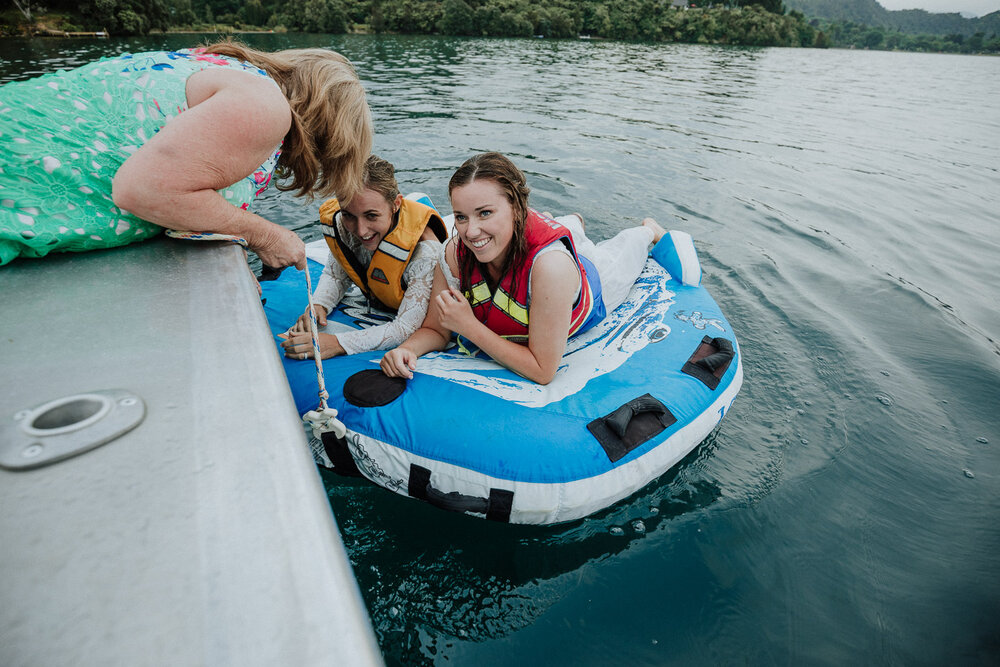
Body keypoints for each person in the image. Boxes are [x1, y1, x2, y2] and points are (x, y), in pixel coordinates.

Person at [0, 40, 373, 269]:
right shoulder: (265, 104)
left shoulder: (208, 65)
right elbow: (143, 190)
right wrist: (268, 236)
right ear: (325, 124)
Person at [380, 151, 666, 385]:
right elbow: (435, 329)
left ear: (517, 209)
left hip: (592, 280)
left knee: (626, 248)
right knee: (540, 232)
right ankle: (571, 222)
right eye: (461, 217)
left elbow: (543, 370)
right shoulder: (454, 253)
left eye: (485, 213)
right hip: (522, 243)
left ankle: (648, 230)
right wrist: (407, 349)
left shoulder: (550, 268)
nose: (471, 231)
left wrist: (469, 326)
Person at [279, 155, 448, 360]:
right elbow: (336, 274)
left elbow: (405, 328)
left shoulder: (426, 253)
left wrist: (338, 343)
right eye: (348, 214)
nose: (360, 230)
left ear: (395, 204)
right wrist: (318, 305)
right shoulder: (343, 225)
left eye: (371, 216)